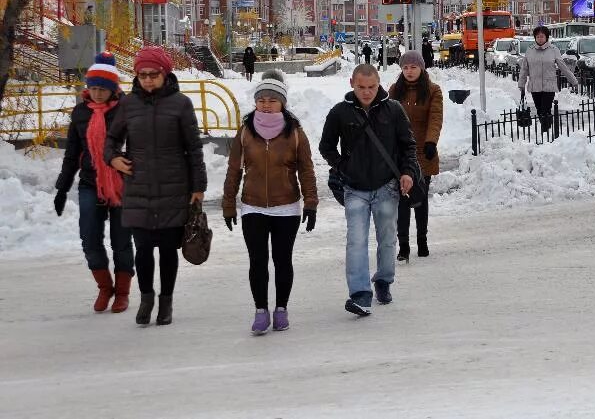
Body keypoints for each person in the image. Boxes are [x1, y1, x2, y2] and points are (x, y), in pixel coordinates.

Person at [105, 46, 206, 327]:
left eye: (153, 74)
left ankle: (166, 301)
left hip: (174, 189)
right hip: (138, 188)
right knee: (144, 249)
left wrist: (198, 187)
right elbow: (111, 140)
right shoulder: (128, 105)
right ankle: (146, 298)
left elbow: (194, 149)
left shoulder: (181, 104)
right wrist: (113, 159)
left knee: (167, 251)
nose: (148, 80)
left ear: (165, 74)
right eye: (142, 75)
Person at [319, 65, 419, 317]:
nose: (366, 92)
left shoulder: (393, 110)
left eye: (371, 87)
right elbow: (326, 146)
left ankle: (383, 281)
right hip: (354, 188)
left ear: (379, 83)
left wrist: (406, 172)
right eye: (361, 87)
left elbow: (408, 145)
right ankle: (360, 294)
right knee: (356, 240)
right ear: (352, 83)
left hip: (386, 186)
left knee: (387, 237)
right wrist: (342, 165)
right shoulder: (340, 113)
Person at [223, 70, 318, 336]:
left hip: (286, 207)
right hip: (253, 206)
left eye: (272, 100)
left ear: (282, 102)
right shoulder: (245, 132)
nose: (266, 104)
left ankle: (281, 309)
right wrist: (228, 203)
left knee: (282, 260)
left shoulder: (295, 133)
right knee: (257, 261)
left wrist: (311, 203)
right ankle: (261, 310)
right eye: (261, 99)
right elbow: (234, 170)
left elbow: (307, 170)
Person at [54, 52, 134, 314]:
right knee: (89, 237)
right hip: (90, 182)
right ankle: (104, 287)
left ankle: (122, 292)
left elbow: (138, 146)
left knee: (121, 241)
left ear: (113, 89)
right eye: (94, 88)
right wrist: (62, 188)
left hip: (122, 183)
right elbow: (72, 153)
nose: (98, 94)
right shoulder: (80, 113)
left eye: (103, 89)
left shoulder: (126, 110)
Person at [388, 51, 442, 261]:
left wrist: (431, 141)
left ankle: (422, 240)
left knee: (420, 198)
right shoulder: (395, 90)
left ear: (421, 68)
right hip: (400, 154)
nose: (409, 71)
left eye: (413, 67)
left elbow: (435, 117)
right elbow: (387, 119)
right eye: (405, 68)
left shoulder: (432, 90)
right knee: (402, 199)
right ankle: (403, 246)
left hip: (423, 150)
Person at [518, 25, 579, 132]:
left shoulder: (554, 50)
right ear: (535, 38)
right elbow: (524, 69)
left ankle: (545, 130)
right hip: (535, 86)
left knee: (545, 110)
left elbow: (563, 66)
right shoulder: (530, 50)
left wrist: (573, 80)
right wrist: (521, 84)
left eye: (542, 36)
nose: (540, 39)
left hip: (549, 86)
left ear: (546, 37)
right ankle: (547, 129)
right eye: (538, 37)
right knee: (539, 110)